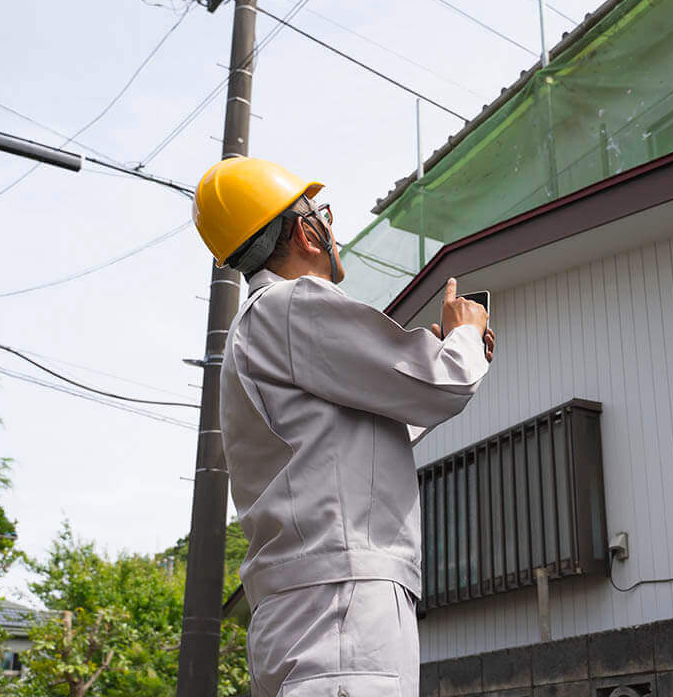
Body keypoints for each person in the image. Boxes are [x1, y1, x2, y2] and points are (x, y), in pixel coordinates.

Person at [193, 156, 494, 697]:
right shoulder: (294, 304)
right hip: (343, 607)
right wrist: (464, 335)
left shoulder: (257, 327)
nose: (331, 227)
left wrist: (437, 362)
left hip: (303, 606)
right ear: (306, 230)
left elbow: (363, 434)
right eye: (322, 214)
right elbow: (445, 383)